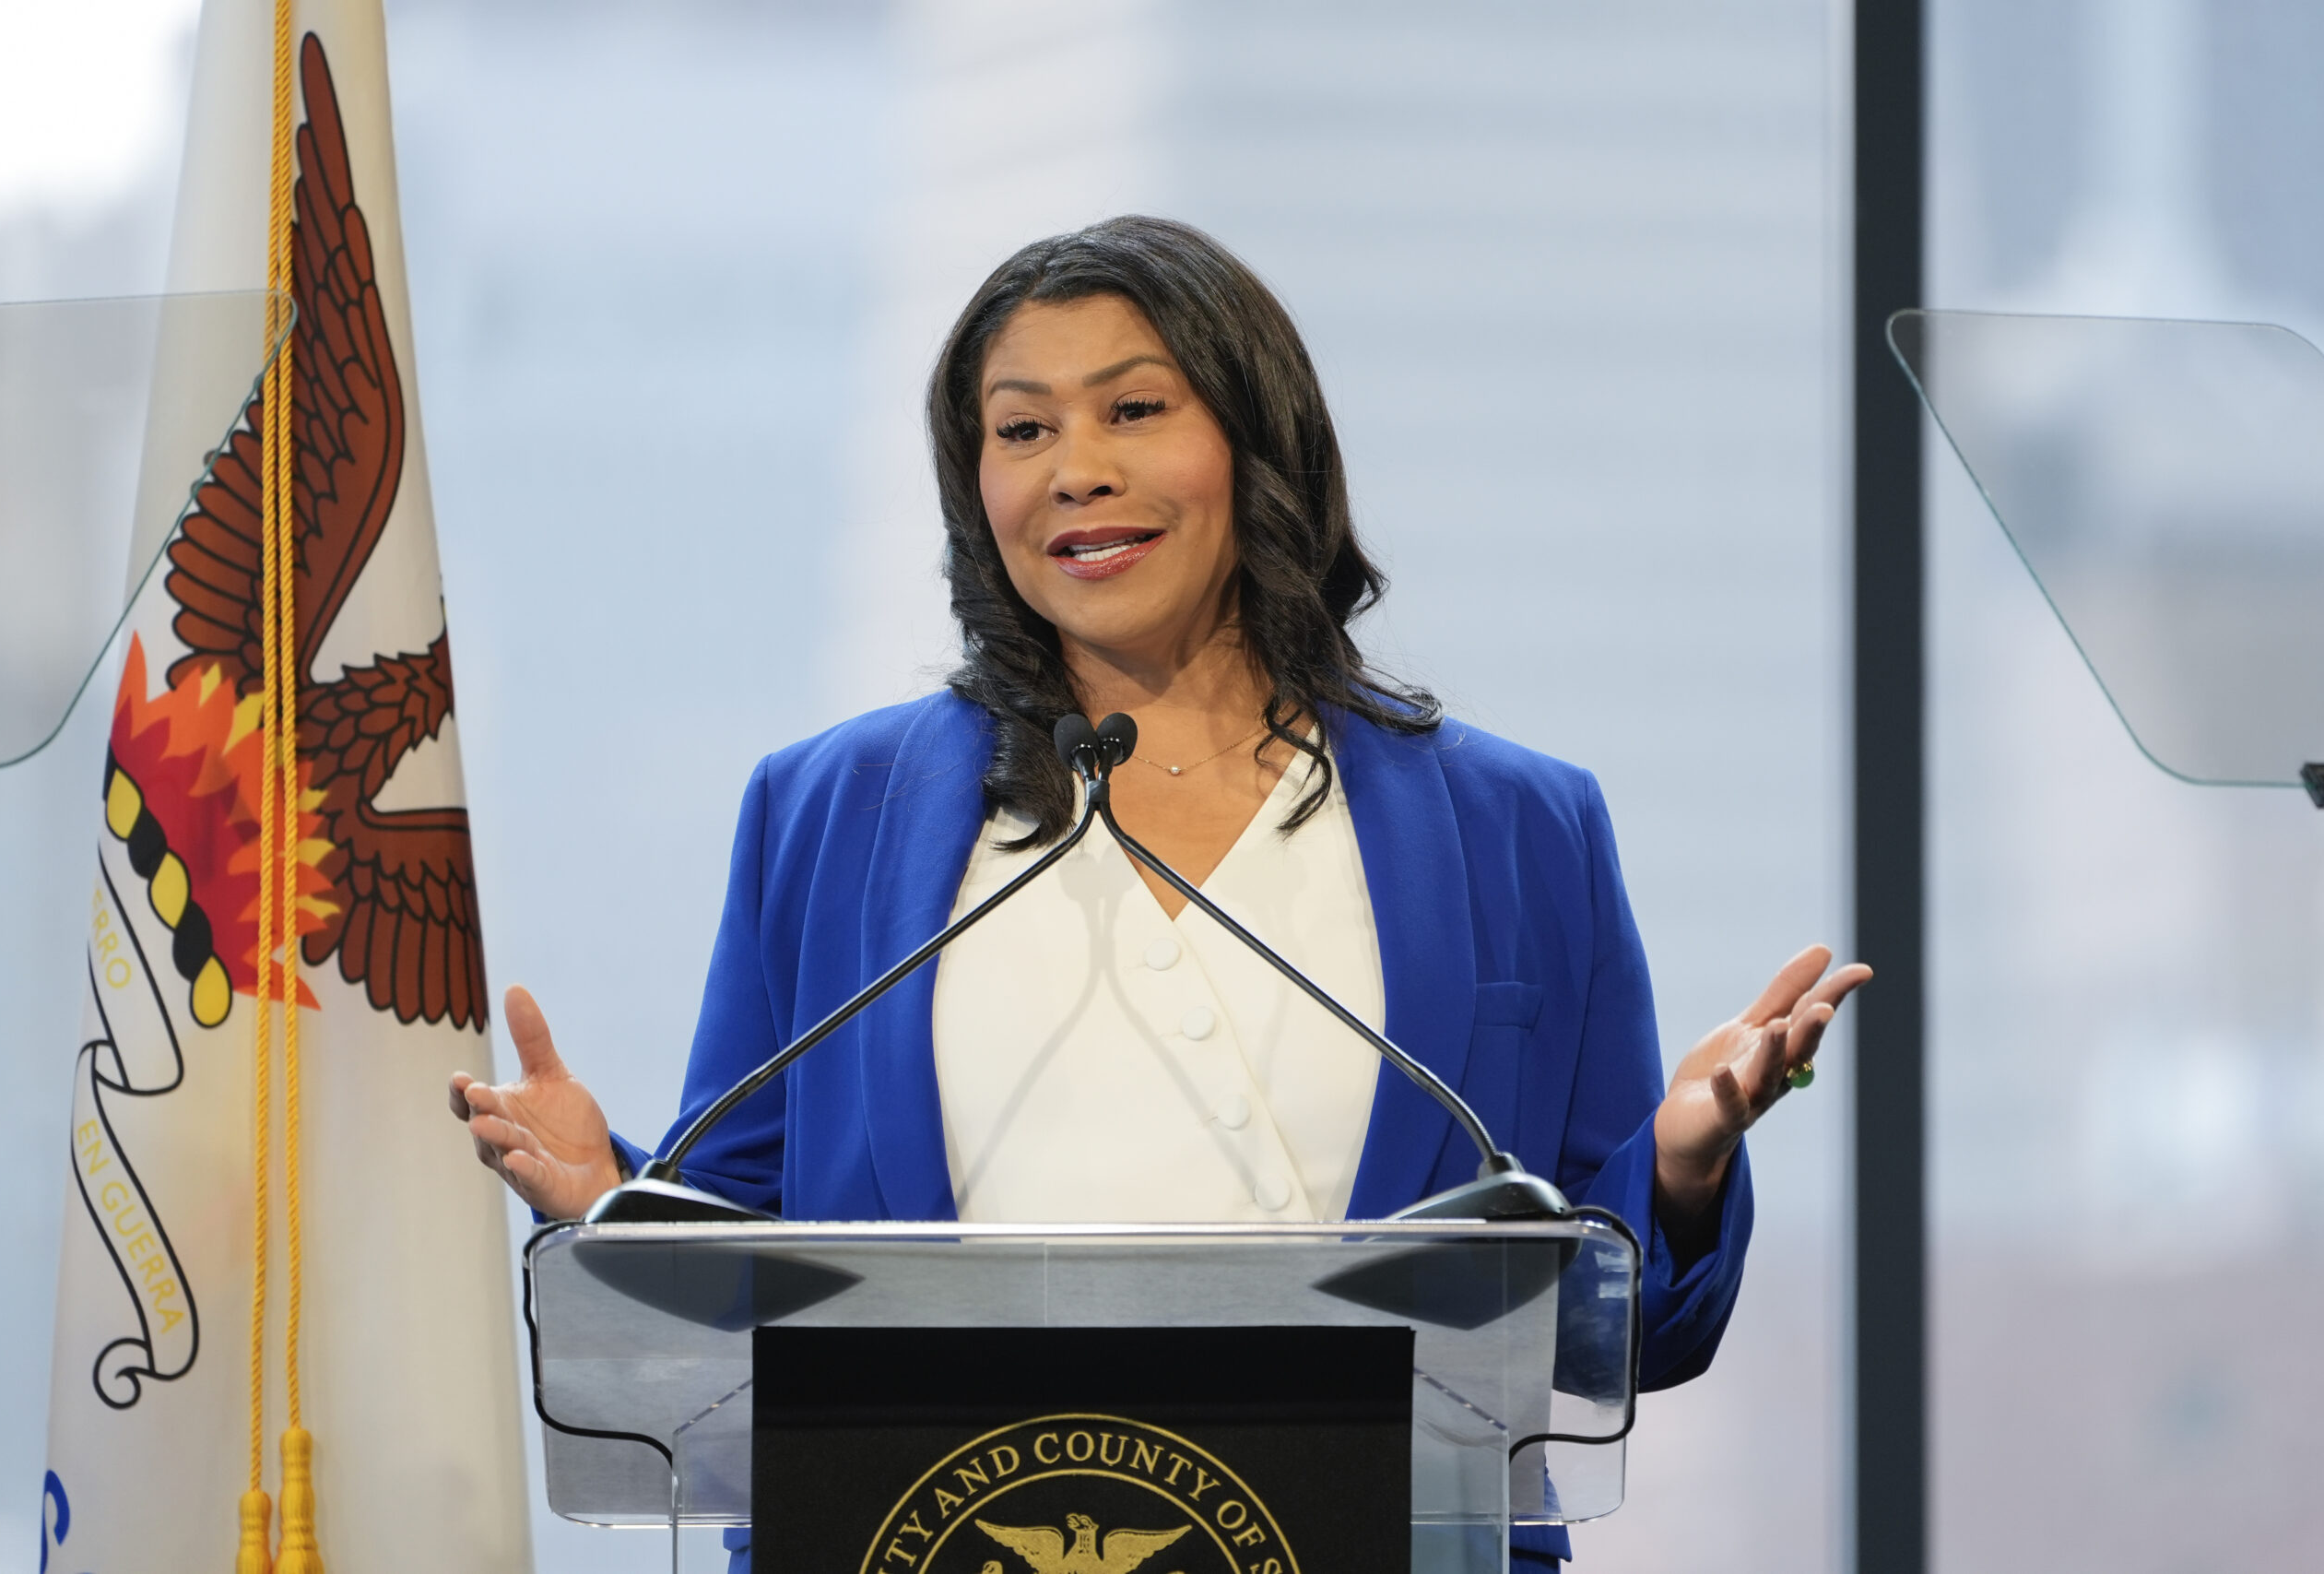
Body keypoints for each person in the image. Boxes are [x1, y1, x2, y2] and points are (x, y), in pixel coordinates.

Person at [449, 216, 1869, 1568]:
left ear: (1260, 447)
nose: (1075, 469)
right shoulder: (832, 815)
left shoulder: (1516, 828)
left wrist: (1680, 1171)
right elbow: (742, 1267)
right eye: (1022, 429)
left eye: (1133, 411)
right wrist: (610, 1206)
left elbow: (1611, 1329)